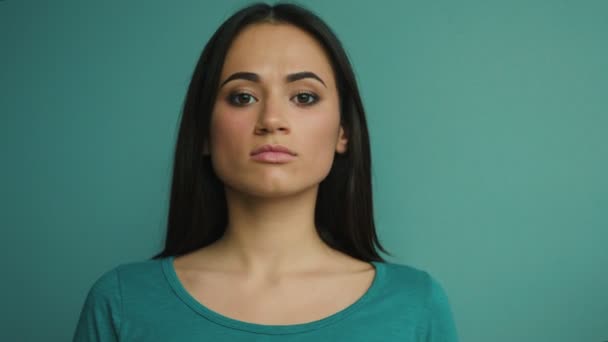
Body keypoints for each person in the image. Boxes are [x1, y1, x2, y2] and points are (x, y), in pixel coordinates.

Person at [73, 2, 459, 341]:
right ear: (204, 132)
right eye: (243, 97)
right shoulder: (122, 302)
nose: (272, 119)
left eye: (304, 97)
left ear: (344, 132)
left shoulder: (415, 306)